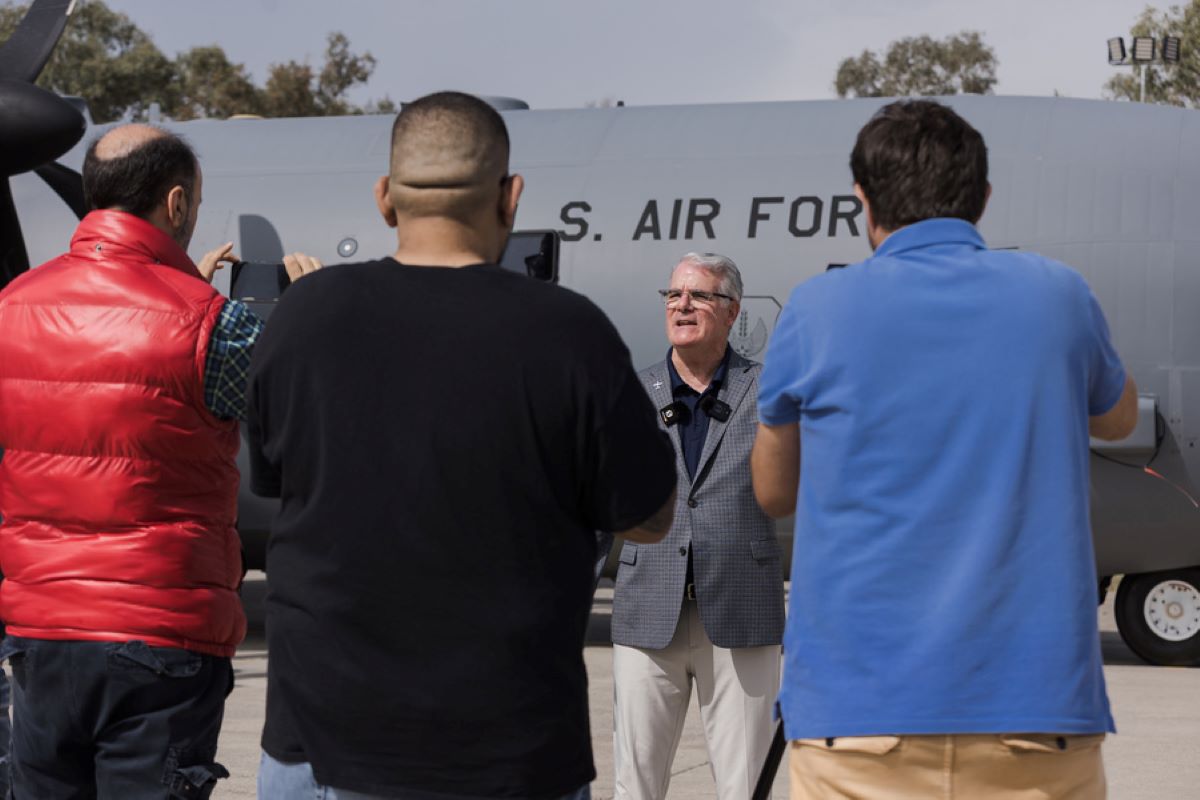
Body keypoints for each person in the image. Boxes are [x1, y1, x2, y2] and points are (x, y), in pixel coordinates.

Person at [247, 91, 678, 800]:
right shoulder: (570, 333)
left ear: (385, 198)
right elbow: (651, 517)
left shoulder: (303, 319)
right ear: (511, 198)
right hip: (508, 750)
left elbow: (275, 478)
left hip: (323, 744)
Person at [751, 99, 1139, 799]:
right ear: (982, 199)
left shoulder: (816, 308)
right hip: (1034, 714)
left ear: (861, 201)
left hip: (859, 718)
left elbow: (773, 492)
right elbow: (1116, 419)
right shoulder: (1059, 295)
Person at [0, 124, 320, 798]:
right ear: (176, 205)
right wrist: (309, 317)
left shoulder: (11, 306)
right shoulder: (219, 322)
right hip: (160, 638)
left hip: (40, 632)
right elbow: (295, 425)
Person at [610, 253, 784, 799]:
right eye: (673, 295)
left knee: (748, 782)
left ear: (732, 312)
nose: (682, 304)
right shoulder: (632, 396)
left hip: (741, 612)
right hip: (647, 614)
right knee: (633, 784)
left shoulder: (767, 391)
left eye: (700, 296)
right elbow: (599, 501)